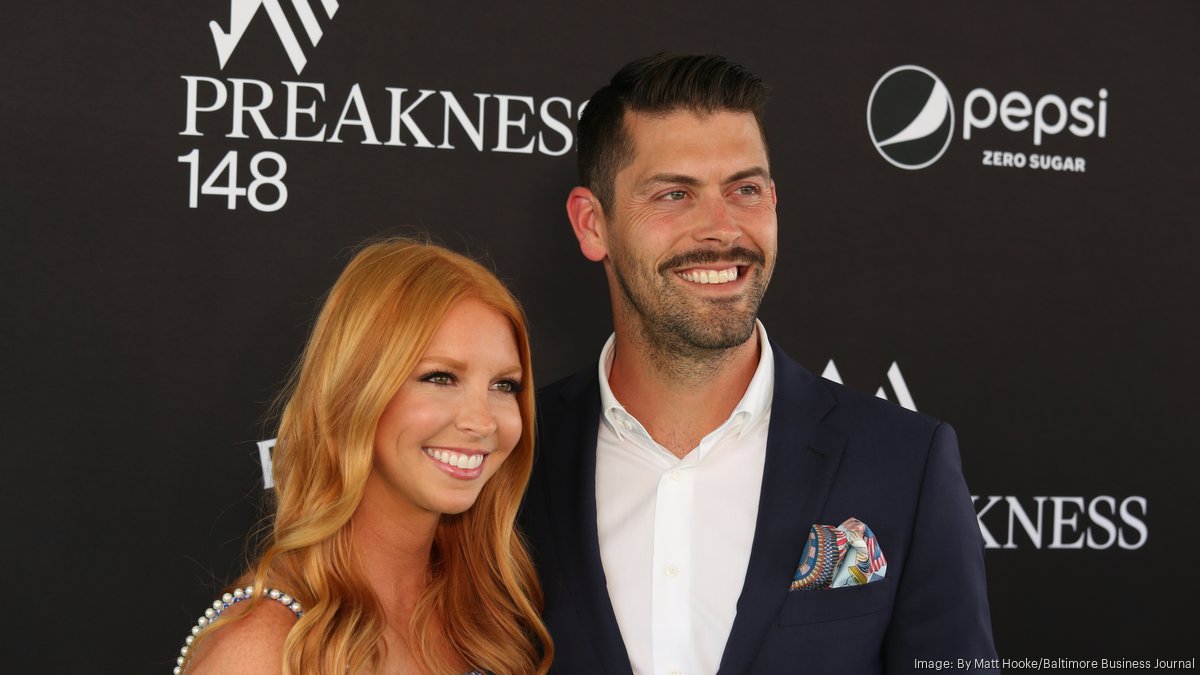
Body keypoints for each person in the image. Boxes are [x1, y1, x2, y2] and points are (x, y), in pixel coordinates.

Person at [519, 54, 998, 674]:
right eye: (674, 194)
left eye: (744, 190)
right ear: (593, 225)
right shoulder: (515, 456)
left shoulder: (904, 463)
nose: (722, 229)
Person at [174, 239, 553, 674]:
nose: (482, 422)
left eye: (504, 385)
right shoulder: (264, 647)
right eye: (441, 377)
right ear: (355, 391)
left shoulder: (491, 614)